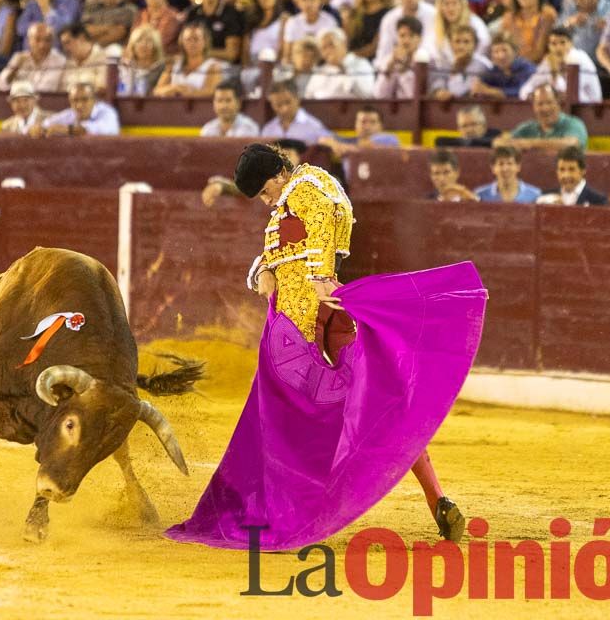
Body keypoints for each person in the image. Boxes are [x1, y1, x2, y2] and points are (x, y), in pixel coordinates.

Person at [168, 143, 484, 550]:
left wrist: (316, 279)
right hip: (329, 313)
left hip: (305, 322)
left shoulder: (302, 190)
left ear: (278, 174)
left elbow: (314, 233)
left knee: (285, 418)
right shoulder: (315, 181)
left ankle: (294, 509)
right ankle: (436, 498)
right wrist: (267, 267)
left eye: (266, 192)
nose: (268, 202)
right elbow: (289, 248)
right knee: (379, 401)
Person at [521, 25, 603, 103]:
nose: (558, 48)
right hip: (563, 105)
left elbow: (570, 94)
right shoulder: (549, 60)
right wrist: (532, 94)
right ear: (549, 46)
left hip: (589, 106)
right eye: (553, 44)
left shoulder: (579, 58)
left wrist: (554, 73)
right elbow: (525, 90)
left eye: (562, 43)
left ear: (571, 43)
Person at [499, 85, 589, 151]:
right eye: (540, 104)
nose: (545, 108)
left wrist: (530, 144)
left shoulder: (573, 123)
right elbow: (499, 142)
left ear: (558, 103)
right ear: (533, 107)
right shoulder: (528, 127)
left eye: (549, 102)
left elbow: (571, 144)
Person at [154, 21, 224, 98]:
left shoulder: (213, 66)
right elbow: (157, 91)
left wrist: (188, 92)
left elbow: (211, 92)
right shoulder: (173, 65)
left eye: (196, 39)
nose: (192, 43)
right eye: (188, 39)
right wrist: (176, 88)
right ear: (182, 42)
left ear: (205, 42)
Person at [305, 28, 375, 99]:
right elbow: (308, 97)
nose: (328, 50)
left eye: (331, 44)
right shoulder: (321, 71)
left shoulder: (361, 64)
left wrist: (343, 69)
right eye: (323, 48)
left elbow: (367, 95)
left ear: (344, 43)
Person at [0, 22, 67, 94]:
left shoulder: (60, 61)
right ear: (29, 41)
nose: (42, 45)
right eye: (37, 39)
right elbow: (1, 85)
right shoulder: (19, 57)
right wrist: (15, 69)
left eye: (47, 40)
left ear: (53, 41)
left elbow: (50, 89)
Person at [259, 80, 332, 144]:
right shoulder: (268, 130)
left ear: (297, 98)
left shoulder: (314, 126)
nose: (285, 109)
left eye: (288, 102)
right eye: (278, 105)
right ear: (272, 105)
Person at [37, 81, 121, 136]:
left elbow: (98, 129)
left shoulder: (107, 112)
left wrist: (68, 130)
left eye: (85, 100)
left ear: (94, 100)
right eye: (75, 100)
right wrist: (39, 129)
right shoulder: (69, 114)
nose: (79, 105)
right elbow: (46, 124)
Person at [318, 104, 401, 157]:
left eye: (373, 122)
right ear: (355, 125)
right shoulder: (349, 140)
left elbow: (368, 145)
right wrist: (333, 144)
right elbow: (323, 138)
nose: (367, 126)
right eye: (363, 122)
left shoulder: (390, 139)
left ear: (381, 126)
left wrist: (344, 149)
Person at [374, 16, 424, 100]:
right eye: (402, 36)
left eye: (411, 36)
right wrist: (389, 69)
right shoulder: (389, 60)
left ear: (419, 39)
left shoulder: (425, 60)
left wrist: (403, 68)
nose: (406, 40)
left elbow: (412, 96)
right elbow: (379, 95)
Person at [540, 145, 609, 204]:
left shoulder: (598, 200)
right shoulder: (545, 197)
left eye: (571, 169)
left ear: (583, 171)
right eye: (562, 169)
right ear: (557, 171)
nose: (566, 175)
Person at [475, 145, 543, 203]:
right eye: (501, 164)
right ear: (493, 168)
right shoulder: (480, 194)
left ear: (518, 167)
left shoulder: (535, 194)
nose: (505, 169)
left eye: (510, 163)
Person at [118, 25, 166, 96]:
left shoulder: (162, 67)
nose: (143, 45)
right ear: (133, 45)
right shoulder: (123, 66)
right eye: (139, 40)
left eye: (149, 41)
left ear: (156, 46)